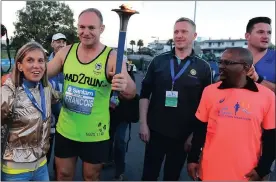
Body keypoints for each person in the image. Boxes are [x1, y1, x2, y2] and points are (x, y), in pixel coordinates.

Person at [46, 8, 136, 181]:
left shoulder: (112, 57)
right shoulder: (66, 53)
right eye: (82, 27)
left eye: (91, 28)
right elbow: (42, 74)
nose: (85, 32)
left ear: (101, 29)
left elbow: (131, 93)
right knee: (63, 175)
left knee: (91, 176)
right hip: (66, 129)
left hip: (95, 133)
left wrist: (125, 84)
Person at [139, 17, 212, 181]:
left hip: (183, 136)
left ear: (194, 36)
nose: (179, 35)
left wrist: (194, 135)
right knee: (148, 175)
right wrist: (143, 124)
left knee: (171, 176)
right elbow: (144, 94)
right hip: (155, 131)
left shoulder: (203, 67)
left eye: (184, 31)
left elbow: (206, 106)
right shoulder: (158, 61)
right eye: (176, 32)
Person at [187, 47, 275, 181]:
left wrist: (262, 169)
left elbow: (271, 138)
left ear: (245, 67)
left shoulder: (267, 96)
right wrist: (192, 159)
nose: (221, 66)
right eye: (220, 62)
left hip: (246, 174)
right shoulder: (210, 91)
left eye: (227, 63)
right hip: (209, 172)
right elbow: (200, 129)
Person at [1, 42, 61, 181]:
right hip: (15, 171)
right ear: (19, 65)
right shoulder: (7, 93)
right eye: (30, 60)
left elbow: (59, 97)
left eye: (41, 61)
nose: (36, 65)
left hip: (41, 165)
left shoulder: (46, 89)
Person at [245, 16, 276, 180]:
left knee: (259, 175)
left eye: (269, 32)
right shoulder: (235, 57)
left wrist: (259, 79)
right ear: (247, 36)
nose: (266, 36)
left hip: (266, 133)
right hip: (237, 127)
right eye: (260, 32)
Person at [107, 62, 139, 181]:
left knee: (119, 141)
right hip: (110, 114)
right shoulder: (109, 71)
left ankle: (120, 170)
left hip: (123, 115)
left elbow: (131, 93)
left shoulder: (129, 75)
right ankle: (109, 159)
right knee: (108, 139)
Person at [46, 33, 67, 179]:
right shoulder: (44, 62)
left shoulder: (71, 63)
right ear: (52, 44)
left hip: (65, 112)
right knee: (46, 148)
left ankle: (56, 176)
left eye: (63, 42)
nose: (61, 44)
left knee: (61, 151)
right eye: (58, 42)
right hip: (48, 113)